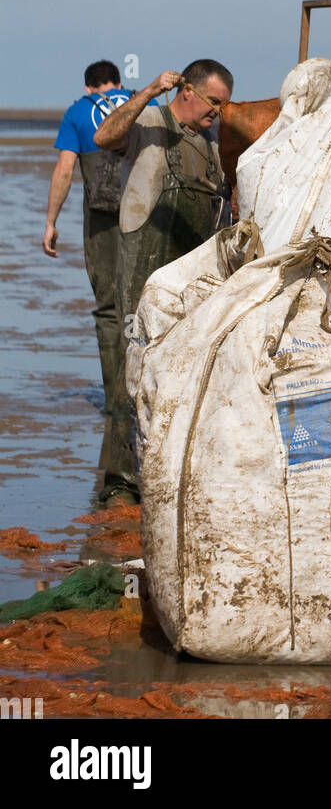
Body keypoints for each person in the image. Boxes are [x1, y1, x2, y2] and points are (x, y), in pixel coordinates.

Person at [93, 59, 234, 501]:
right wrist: (150, 89)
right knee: (131, 366)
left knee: (179, 370)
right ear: (187, 91)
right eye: (215, 102)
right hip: (143, 264)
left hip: (188, 272)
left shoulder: (209, 143)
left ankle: (164, 473)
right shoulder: (151, 121)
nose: (218, 113)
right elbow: (104, 137)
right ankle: (120, 483)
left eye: (224, 106)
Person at [43, 60, 153, 415]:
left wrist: (51, 222)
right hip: (147, 216)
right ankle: (150, 393)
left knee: (109, 308)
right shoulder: (146, 103)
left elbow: (63, 171)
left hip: (101, 222)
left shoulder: (78, 111)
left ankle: (116, 401)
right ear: (119, 83)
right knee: (149, 302)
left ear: (89, 87)